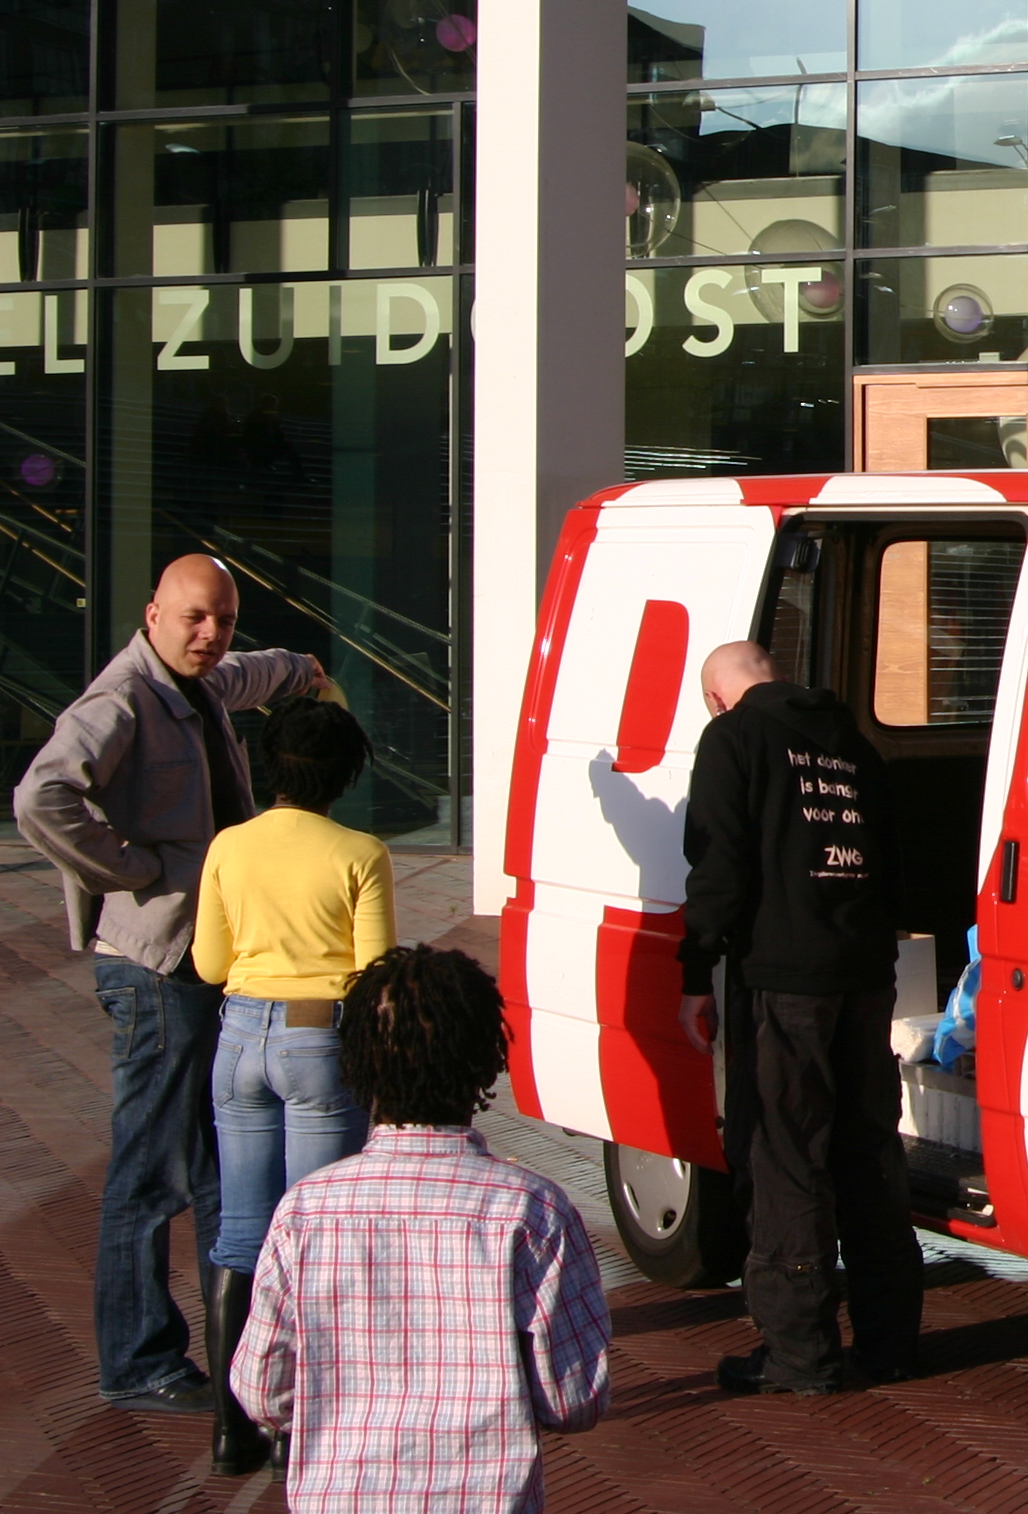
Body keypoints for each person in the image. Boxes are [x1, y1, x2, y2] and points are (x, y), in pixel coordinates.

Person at [13, 554, 322, 1415]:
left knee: (223, 1163)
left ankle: (240, 1353)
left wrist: (301, 668)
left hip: (209, 961)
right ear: (153, 614)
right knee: (151, 1171)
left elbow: (249, 674)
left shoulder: (203, 682)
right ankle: (138, 1361)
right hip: (155, 967)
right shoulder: (120, 701)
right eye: (193, 618)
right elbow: (40, 798)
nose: (210, 634)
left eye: (223, 619)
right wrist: (131, 869)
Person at [232, 944, 611, 1512]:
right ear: (487, 1061)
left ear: (356, 1061)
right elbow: (573, 1398)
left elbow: (263, 1390)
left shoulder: (305, 1211)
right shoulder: (533, 1212)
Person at [676, 639, 920, 1394]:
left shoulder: (734, 738)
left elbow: (718, 863)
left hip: (782, 980)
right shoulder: (857, 744)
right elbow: (895, 862)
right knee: (868, 1151)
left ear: (718, 697)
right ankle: (889, 1342)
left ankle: (799, 1353)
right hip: (864, 974)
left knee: (783, 1155)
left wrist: (696, 972)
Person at [192, 698, 396, 1474]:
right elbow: (373, 972)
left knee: (241, 1233)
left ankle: (230, 1428)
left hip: (240, 1034)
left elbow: (210, 963)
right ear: (344, 775)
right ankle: (297, 1427)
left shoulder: (229, 845)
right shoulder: (360, 852)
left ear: (269, 763)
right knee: (315, 1235)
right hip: (318, 1037)